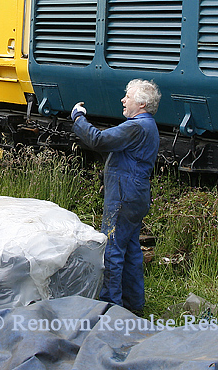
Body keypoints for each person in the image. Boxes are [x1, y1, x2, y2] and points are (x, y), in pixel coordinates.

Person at [71, 79, 161, 313]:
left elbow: (98, 140)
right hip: (136, 194)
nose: (123, 99)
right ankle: (134, 307)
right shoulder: (149, 126)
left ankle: (110, 308)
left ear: (141, 103)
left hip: (124, 194)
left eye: (127, 96)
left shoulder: (136, 127)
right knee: (131, 250)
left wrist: (79, 118)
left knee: (111, 249)